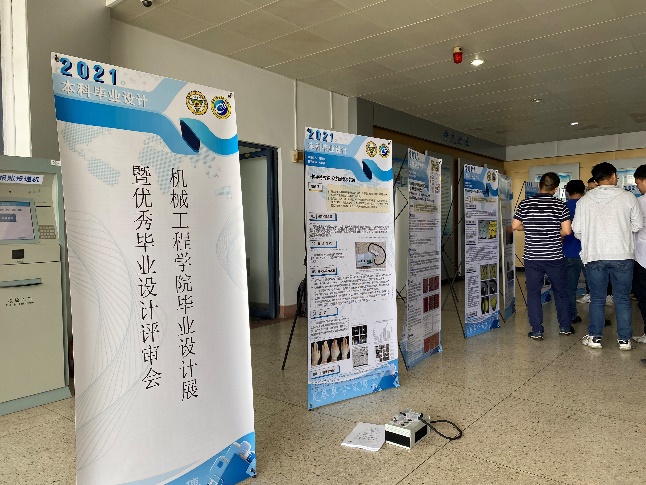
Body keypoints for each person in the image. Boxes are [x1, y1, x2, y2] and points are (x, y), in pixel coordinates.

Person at [573, 162, 643, 350]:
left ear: (596, 180)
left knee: (597, 298)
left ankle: (595, 338)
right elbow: (637, 225)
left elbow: (577, 230)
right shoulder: (628, 197)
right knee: (622, 298)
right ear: (612, 176)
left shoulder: (584, 201)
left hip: (595, 255)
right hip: (622, 255)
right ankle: (625, 340)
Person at [513, 172, 574, 339]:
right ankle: (565, 327)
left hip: (532, 257)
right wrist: (552, 232)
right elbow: (567, 231)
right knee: (561, 292)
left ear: (539, 185)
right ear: (555, 189)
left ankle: (537, 330)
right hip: (554, 256)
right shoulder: (560, 205)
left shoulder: (525, 203)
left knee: (533, 293)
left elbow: (515, 226)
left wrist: (531, 228)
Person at [563, 180, 586, 325]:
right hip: (589, 253)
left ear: (567, 192)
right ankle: (599, 319)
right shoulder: (588, 206)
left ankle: (572, 316)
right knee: (596, 289)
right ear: (584, 191)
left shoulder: (563, 207)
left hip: (568, 252)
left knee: (569, 288)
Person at [632, 165, 646, 344]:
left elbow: (634, 228)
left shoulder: (640, 203)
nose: (638, 187)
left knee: (643, 296)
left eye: (638, 184)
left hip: (643, 258)